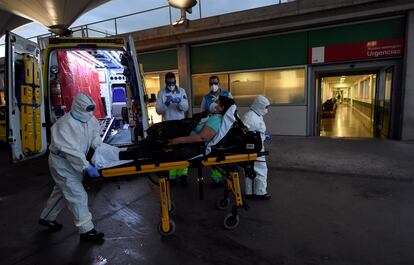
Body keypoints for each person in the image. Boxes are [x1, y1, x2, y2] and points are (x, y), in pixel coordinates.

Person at [39, 93, 105, 241]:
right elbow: (71, 151)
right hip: (61, 163)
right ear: (78, 107)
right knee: (77, 195)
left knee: (62, 191)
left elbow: (95, 138)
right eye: (87, 109)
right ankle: (86, 230)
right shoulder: (63, 124)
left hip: (75, 162)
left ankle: (47, 217)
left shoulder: (90, 119)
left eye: (91, 109)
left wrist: (102, 153)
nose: (90, 113)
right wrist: (86, 166)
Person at [156, 72, 189, 185]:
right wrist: (166, 103)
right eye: (169, 82)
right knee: (170, 149)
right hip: (168, 126)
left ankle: (183, 175)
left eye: (173, 82)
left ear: (176, 81)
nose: (171, 84)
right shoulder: (161, 93)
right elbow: (158, 111)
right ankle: (172, 176)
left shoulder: (182, 91)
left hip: (180, 125)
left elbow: (185, 108)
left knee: (182, 149)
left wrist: (179, 102)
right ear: (166, 82)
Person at [200, 76, 233, 188]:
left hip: (225, 127)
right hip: (213, 127)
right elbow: (202, 113)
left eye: (215, 83)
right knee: (214, 152)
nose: (213, 85)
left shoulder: (227, 94)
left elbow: (232, 109)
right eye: (211, 83)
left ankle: (228, 178)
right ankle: (216, 179)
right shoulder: (206, 98)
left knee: (225, 152)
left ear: (219, 83)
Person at [168, 96, 235, 151]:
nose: (214, 105)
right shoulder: (213, 115)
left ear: (221, 108)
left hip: (193, 145)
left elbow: (202, 138)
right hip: (186, 133)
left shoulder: (216, 120)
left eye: (217, 102)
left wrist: (178, 140)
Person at [242, 95, 271, 200]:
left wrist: (263, 135)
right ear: (260, 106)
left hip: (255, 145)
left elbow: (256, 129)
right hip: (255, 147)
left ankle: (249, 192)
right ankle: (260, 192)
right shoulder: (251, 117)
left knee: (250, 169)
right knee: (261, 169)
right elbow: (244, 131)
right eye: (266, 107)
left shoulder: (256, 114)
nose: (267, 109)